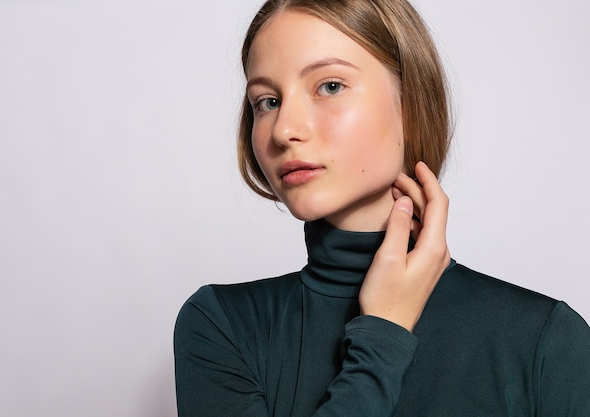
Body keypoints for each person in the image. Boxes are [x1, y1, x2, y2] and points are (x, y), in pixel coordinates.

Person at [174, 0, 590, 415]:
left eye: (330, 86)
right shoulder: (221, 326)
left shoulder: (545, 340)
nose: (284, 130)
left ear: (410, 102)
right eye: (267, 101)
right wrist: (382, 335)